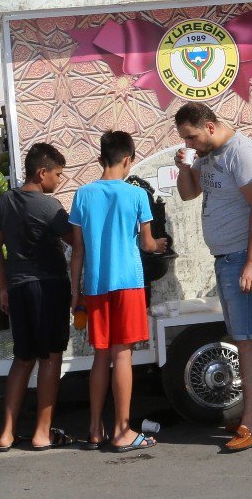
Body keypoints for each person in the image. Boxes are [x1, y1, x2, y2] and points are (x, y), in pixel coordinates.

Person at [173, 103, 252, 452]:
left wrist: (251, 262)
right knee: (251, 338)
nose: (190, 143)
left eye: (192, 136)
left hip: (240, 259)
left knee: (246, 341)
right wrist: (184, 167)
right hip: (227, 258)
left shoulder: (240, 152)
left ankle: (249, 423)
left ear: (211, 126)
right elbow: (189, 193)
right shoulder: (208, 155)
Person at [69, 131, 166, 452]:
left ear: (101, 159)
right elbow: (147, 243)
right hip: (128, 282)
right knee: (122, 354)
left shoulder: (82, 195)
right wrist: (159, 245)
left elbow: (78, 251)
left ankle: (95, 430)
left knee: (100, 355)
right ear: (127, 160)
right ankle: (122, 430)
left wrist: (75, 291)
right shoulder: (136, 195)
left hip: (95, 284)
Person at [0, 143, 75, 451]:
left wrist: (4, 286)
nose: (59, 180)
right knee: (50, 358)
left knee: (22, 359)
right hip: (49, 286)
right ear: (42, 173)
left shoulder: (4, 202)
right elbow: (76, 240)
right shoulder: (49, 207)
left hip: (19, 288)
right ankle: (41, 432)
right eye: (58, 174)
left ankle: (6, 433)